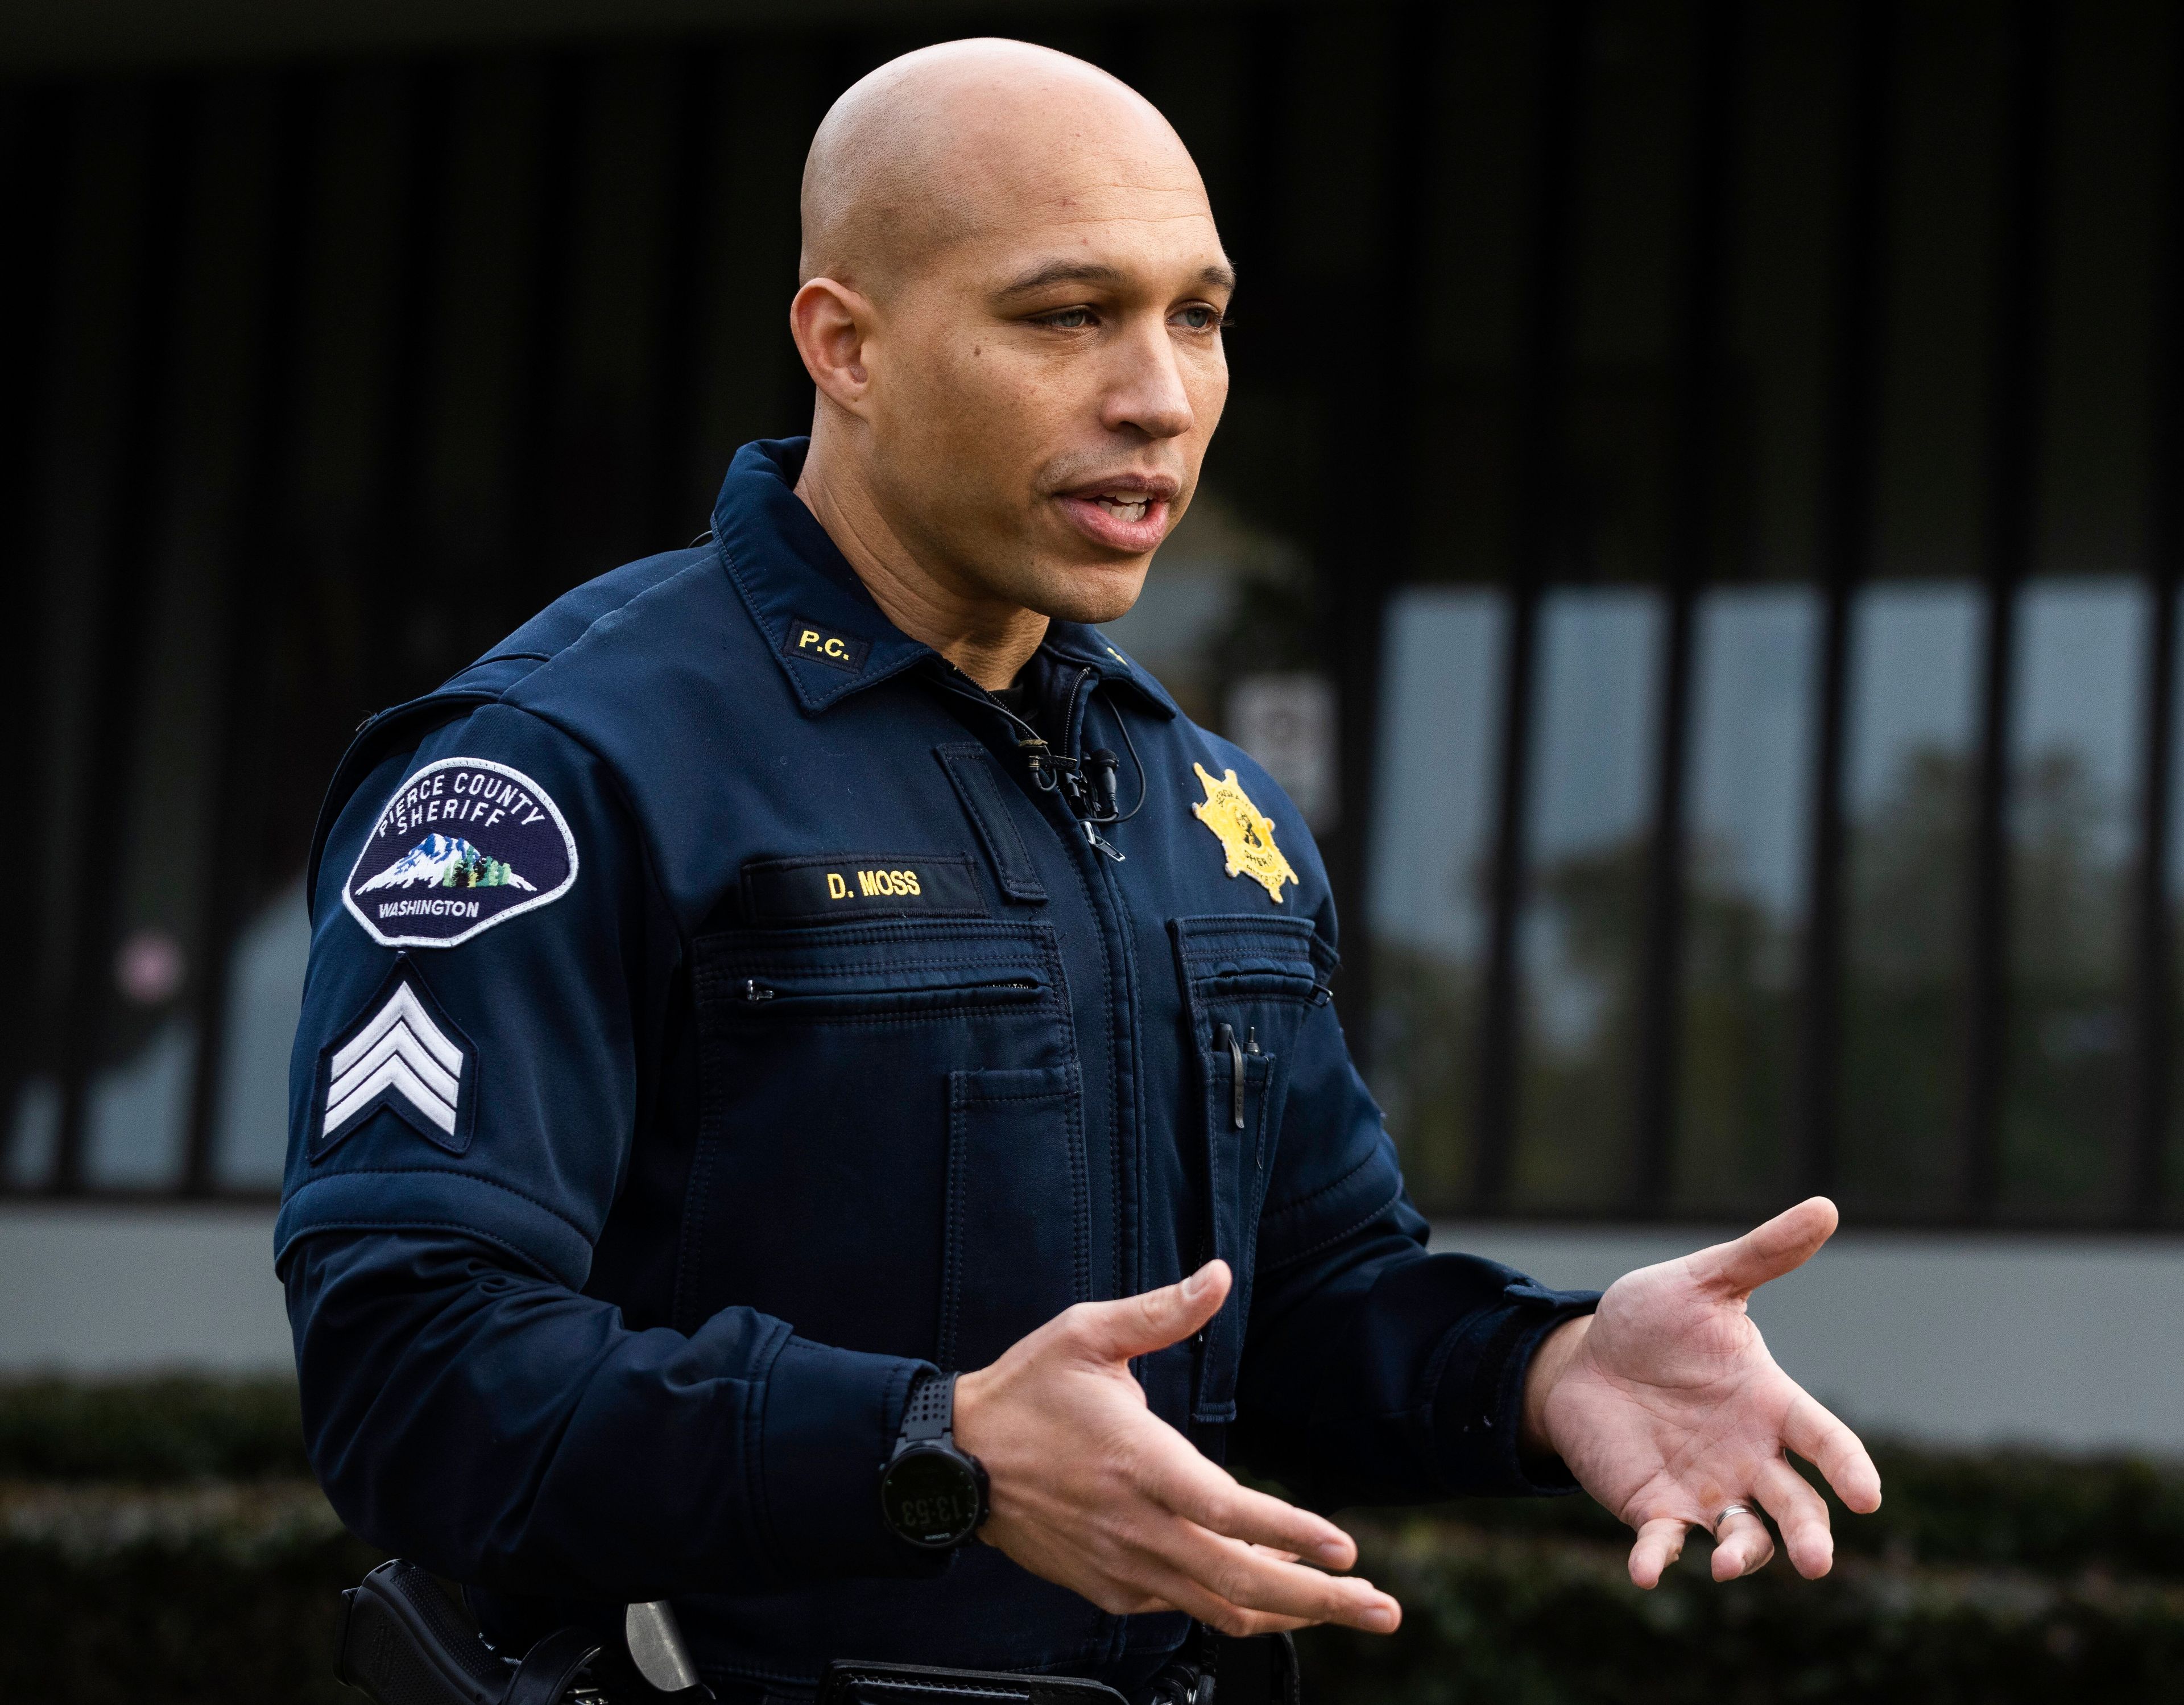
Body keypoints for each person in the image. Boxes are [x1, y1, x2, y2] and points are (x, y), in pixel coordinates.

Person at [279, 37, 1881, 1704]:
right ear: (847, 346)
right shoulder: (557, 767)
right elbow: (418, 1376)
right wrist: (938, 1450)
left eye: (1198, 315)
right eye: (1066, 316)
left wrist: (1545, 1370)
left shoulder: (1208, 805)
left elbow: (1301, 1306)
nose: (1161, 396)